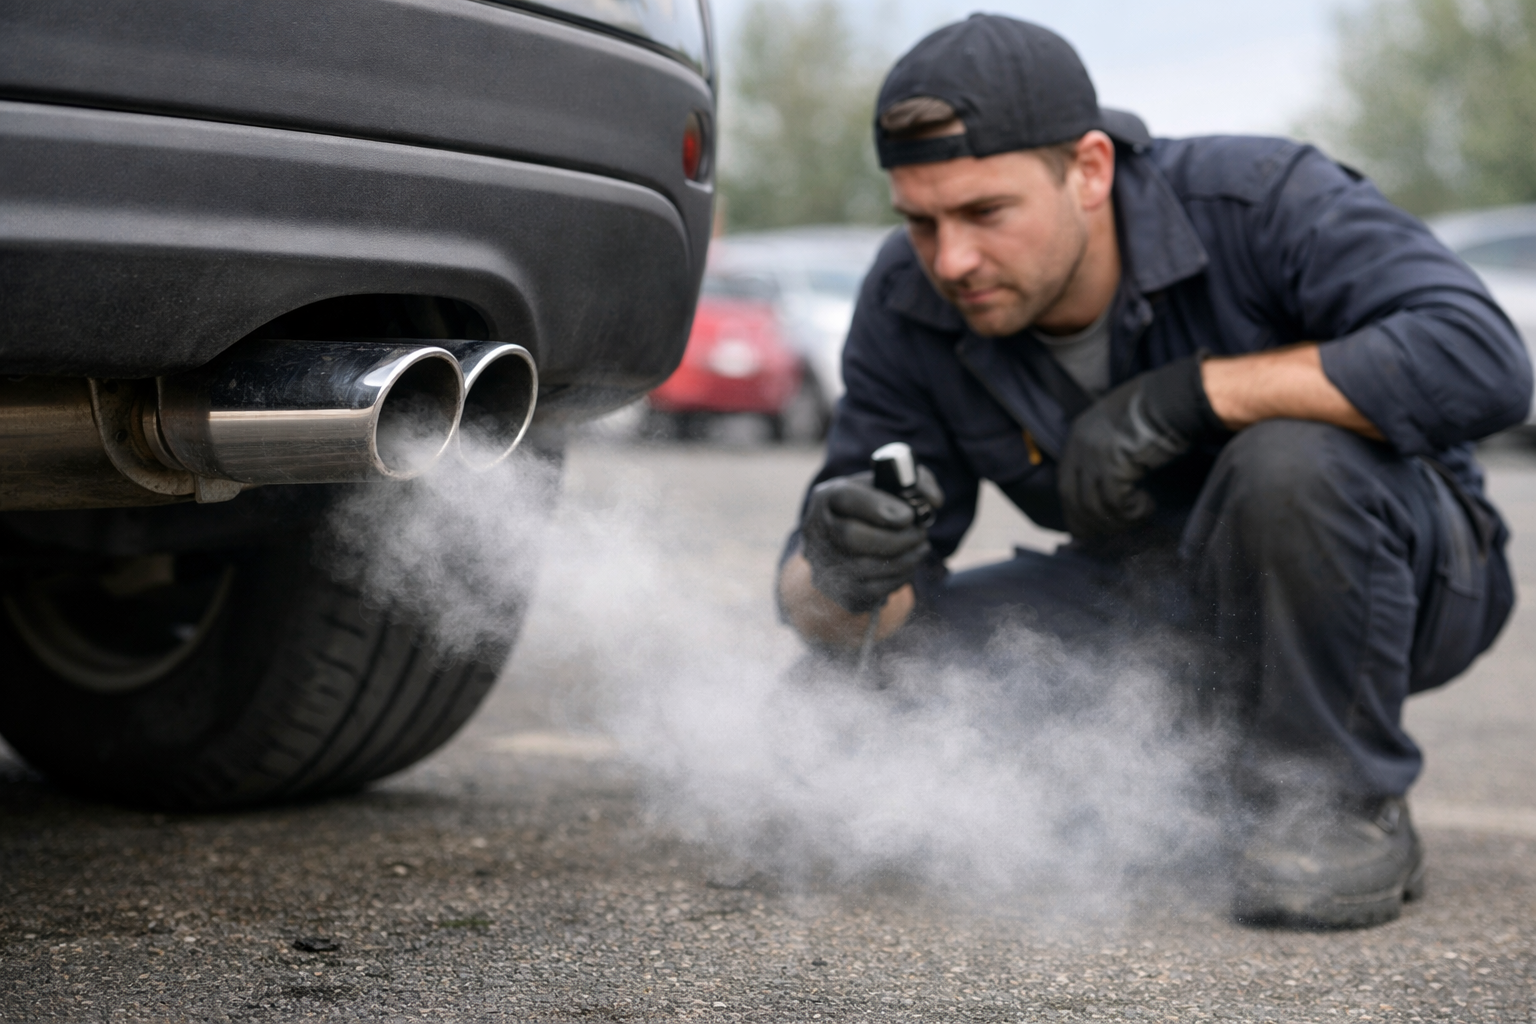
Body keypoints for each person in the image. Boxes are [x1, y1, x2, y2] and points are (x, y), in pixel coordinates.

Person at [776, 14, 1530, 928]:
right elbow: (828, 605)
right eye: (921, 221)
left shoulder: (1259, 199)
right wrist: (844, 573)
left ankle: (1336, 801)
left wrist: (1197, 396)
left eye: (985, 213)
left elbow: (1484, 359)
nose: (953, 259)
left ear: (1089, 169)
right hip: (1150, 597)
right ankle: (1196, 775)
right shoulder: (910, 299)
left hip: (1398, 574)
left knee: (1289, 457)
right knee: (821, 717)